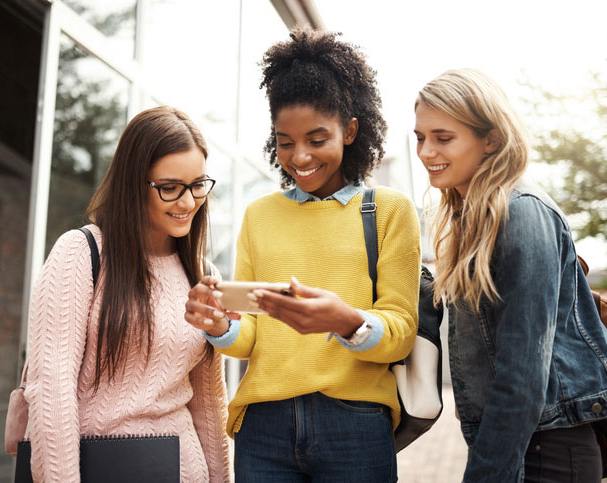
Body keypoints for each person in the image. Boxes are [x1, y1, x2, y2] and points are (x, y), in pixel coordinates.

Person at [185, 28, 421, 482]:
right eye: (285, 141)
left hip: (355, 423)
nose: (300, 156)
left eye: (317, 139)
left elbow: (400, 333)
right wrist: (219, 325)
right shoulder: (259, 215)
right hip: (264, 427)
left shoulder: (388, 210)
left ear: (350, 130)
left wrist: (344, 320)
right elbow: (251, 334)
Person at [414, 68, 607, 482]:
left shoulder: (520, 213)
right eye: (420, 137)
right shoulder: (475, 219)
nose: (426, 151)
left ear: (492, 140)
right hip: (525, 445)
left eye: (442, 138)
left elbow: (523, 375)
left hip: (547, 453)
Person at [24, 106, 229, 483]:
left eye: (198, 185)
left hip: (185, 471)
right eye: (170, 188)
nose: (188, 202)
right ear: (134, 183)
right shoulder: (80, 253)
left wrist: (222, 479)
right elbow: (51, 390)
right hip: (100, 466)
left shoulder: (203, 273)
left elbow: (209, 401)